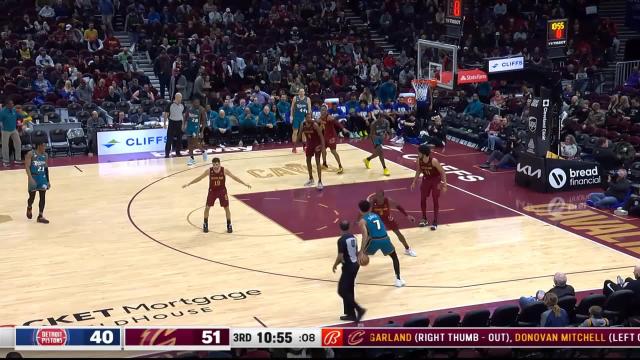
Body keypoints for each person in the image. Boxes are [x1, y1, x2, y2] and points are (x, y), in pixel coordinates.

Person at [182, 157, 251, 233]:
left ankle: (229, 224)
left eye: (217, 164)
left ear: (219, 164)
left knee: (226, 208)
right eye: (214, 165)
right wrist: (189, 184)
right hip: (212, 191)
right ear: (212, 164)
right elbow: (199, 178)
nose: (215, 166)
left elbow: (234, 177)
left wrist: (244, 183)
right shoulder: (209, 171)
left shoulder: (224, 170)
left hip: (222, 191)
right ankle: (205, 223)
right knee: (207, 207)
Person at [357, 200, 405, 287]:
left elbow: (365, 236)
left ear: (360, 210)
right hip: (385, 238)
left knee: (359, 257)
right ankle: (398, 280)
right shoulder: (376, 215)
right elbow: (382, 228)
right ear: (370, 208)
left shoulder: (362, 221)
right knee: (394, 257)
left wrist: (361, 251)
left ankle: (352, 280)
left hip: (374, 240)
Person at [332, 220, 366, 322]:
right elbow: (355, 252)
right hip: (355, 265)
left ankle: (359, 309)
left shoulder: (341, 240)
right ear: (348, 227)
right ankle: (350, 314)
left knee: (342, 290)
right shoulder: (353, 237)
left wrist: (335, 265)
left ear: (340, 227)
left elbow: (340, 257)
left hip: (349, 267)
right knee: (349, 289)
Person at [367, 190, 417, 256]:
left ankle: (407, 249)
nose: (378, 199)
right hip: (377, 219)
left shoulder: (388, 200)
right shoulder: (373, 202)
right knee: (369, 234)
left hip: (387, 218)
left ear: (383, 197)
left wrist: (407, 215)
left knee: (398, 233)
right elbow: (367, 212)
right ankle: (365, 251)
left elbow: (398, 206)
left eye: (380, 197)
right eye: (377, 197)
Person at [411, 144, 447, 230]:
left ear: (424, 153)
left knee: (435, 199)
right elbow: (419, 170)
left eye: (419, 152)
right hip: (426, 180)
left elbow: (442, 172)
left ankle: (435, 221)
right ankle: (424, 219)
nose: (418, 154)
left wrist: (445, 184)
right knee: (422, 199)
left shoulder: (434, 161)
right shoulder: (418, 160)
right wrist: (414, 181)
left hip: (436, 180)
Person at [25, 142, 50, 224]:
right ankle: (29, 207)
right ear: (39, 146)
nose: (45, 147)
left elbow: (46, 168)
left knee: (42, 197)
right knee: (32, 198)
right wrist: (30, 178)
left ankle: (40, 216)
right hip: (33, 177)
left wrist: (48, 180)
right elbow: (27, 167)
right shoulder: (30, 154)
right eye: (44, 146)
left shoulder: (45, 155)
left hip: (42, 178)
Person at [319, 105, 349, 173]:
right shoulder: (321, 117)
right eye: (321, 110)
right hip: (325, 136)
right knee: (323, 149)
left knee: (333, 151)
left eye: (324, 110)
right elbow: (321, 127)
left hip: (332, 137)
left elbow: (336, 122)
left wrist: (343, 128)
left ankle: (340, 166)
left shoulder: (329, 117)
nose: (322, 111)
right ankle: (324, 164)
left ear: (326, 111)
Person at [299, 114, 325, 190]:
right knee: (308, 161)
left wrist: (322, 146)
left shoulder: (315, 125)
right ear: (305, 118)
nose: (309, 119)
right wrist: (298, 145)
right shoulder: (303, 124)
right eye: (307, 117)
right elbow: (300, 134)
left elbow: (321, 136)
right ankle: (311, 179)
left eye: (310, 117)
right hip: (309, 145)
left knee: (317, 162)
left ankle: (320, 181)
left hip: (317, 144)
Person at [183, 97, 207, 166]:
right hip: (189, 127)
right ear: (193, 103)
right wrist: (183, 125)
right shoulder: (189, 108)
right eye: (195, 102)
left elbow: (204, 121)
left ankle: (203, 151)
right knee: (189, 143)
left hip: (196, 128)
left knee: (195, 142)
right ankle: (191, 158)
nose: (197, 104)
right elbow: (185, 117)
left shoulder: (201, 109)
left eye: (198, 103)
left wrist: (202, 131)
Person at [163, 93, 186, 158]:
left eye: (181, 97)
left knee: (179, 139)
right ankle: (167, 153)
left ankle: (178, 152)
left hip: (179, 122)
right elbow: (166, 114)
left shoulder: (182, 104)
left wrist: (183, 124)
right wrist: (165, 123)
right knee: (169, 139)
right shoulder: (170, 104)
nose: (181, 99)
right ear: (176, 97)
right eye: (180, 97)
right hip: (172, 122)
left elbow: (183, 115)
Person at [1, 101, 22, 167]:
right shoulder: (2, 112)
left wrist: (19, 112)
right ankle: (5, 161)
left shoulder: (13, 110)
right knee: (5, 146)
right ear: (7, 105)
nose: (12, 105)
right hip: (5, 130)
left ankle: (18, 159)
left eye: (13, 103)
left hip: (14, 130)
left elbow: (20, 117)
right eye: (11, 104)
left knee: (18, 143)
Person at [290, 88, 311, 153]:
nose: (301, 93)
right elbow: (292, 107)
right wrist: (291, 116)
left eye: (302, 91)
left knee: (304, 132)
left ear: (304, 92)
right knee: (295, 131)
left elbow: (309, 109)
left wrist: (308, 118)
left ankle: (304, 147)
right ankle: (294, 147)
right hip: (296, 117)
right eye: (300, 92)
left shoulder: (307, 99)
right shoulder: (295, 98)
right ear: (298, 92)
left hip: (304, 118)